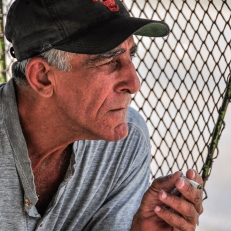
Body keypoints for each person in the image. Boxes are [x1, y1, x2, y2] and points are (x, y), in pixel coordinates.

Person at [0, 0, 203, 230]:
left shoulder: (126, 143)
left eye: (131, 56)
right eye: (109, 61)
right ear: (43, 77)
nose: (134, 83)